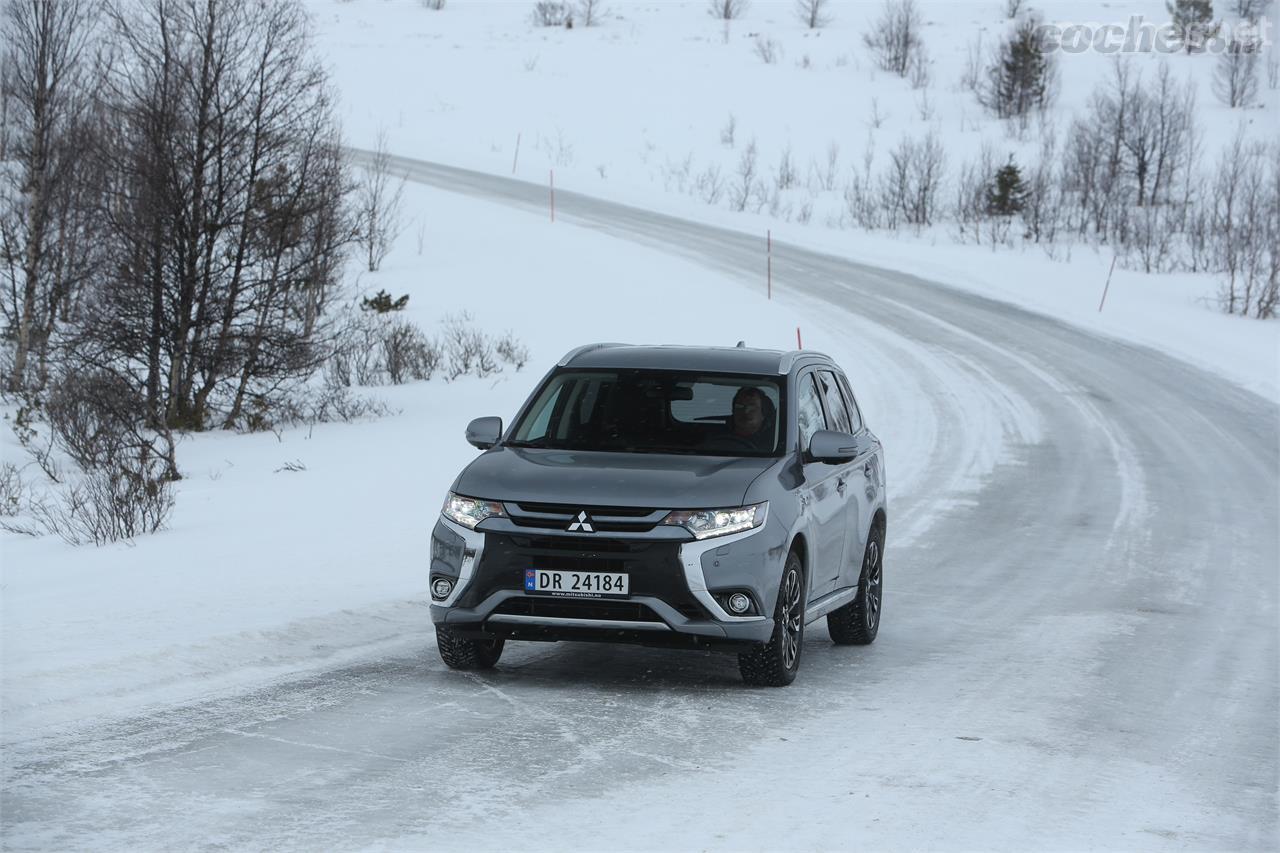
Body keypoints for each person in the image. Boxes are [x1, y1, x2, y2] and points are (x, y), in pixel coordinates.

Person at [727, 386, 775, 451]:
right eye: (740, 406)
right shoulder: (715, 435)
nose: (745, 411)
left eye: (752, 407)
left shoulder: (774, 443)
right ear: (733, 410)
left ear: (763, 413)